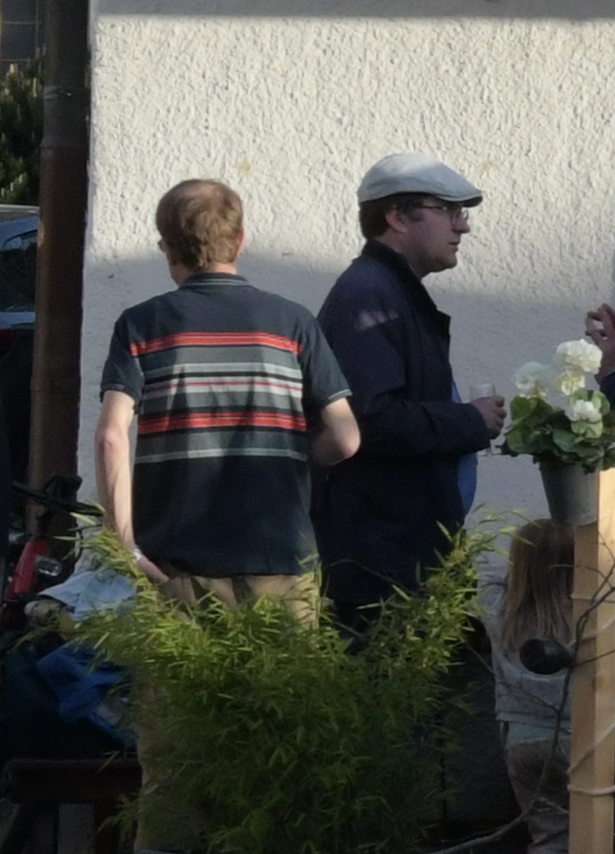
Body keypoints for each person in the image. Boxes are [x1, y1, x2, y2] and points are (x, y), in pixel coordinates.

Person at [94, 176, 354, 601]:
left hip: (173, 567)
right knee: (290, 671)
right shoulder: (293, 323)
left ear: (168, 248)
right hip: (280, 563)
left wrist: (122, 544)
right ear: (241, 239)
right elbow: (345, 438)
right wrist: (281, 451)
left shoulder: (142, 325)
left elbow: (110, 437)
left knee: (178, 671)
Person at [312, 153, 499, 609]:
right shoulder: (368, 296)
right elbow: (372, 420)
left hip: (402, 545)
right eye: (449, 211)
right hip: (382, 559)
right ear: (396, 216)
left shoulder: (389, 290)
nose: (463, 227)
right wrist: (469, 422)